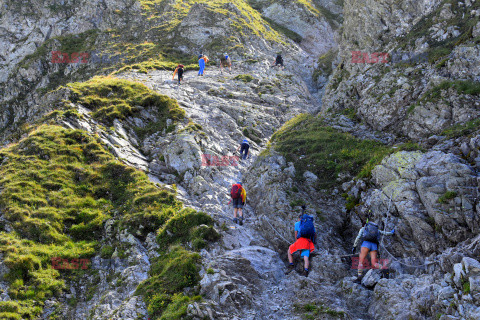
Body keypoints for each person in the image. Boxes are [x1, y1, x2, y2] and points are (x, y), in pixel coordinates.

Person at [286, 206, 315, 277]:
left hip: (300, 241)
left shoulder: (297, 224)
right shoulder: (310, 225)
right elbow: (314, 234)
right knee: (306, 258)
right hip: (308, 242)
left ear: (299, 219)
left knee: (289, 251)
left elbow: (296, 234)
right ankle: (305, 271)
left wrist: (297, 242)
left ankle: (291, 265)